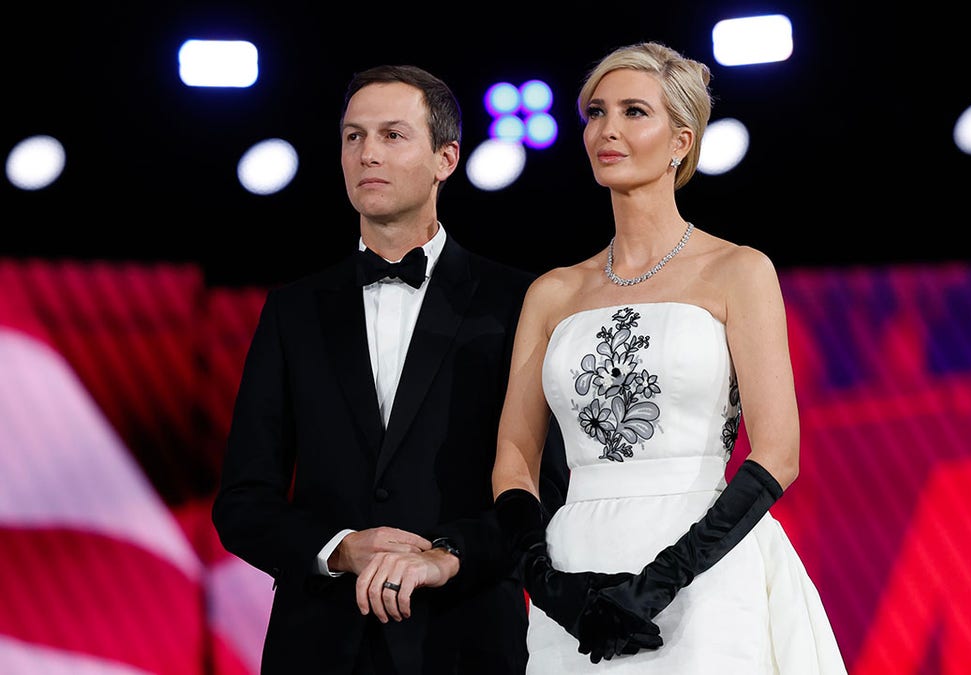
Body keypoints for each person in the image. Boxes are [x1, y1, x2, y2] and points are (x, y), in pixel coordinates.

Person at [490, 42, 848, 673]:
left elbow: (778, 453)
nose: (608, 130)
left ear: (681, 141)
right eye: (596, 112)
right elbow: (513, 460)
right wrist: (553, 589)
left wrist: (661, 582)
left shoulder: (737, 270)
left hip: (704, 565)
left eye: (634, 112)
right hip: (577, 572)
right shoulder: (553, 292)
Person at [212, 64, 568, 675]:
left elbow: (550, 490)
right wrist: (342, 549)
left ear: (446, 159)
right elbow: (243, 502)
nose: (367, 153)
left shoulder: (518, 302)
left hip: (465, 640)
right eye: (353, 137)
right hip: (318, 645)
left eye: (392, 135)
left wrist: (449, 555)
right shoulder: (293, 310)